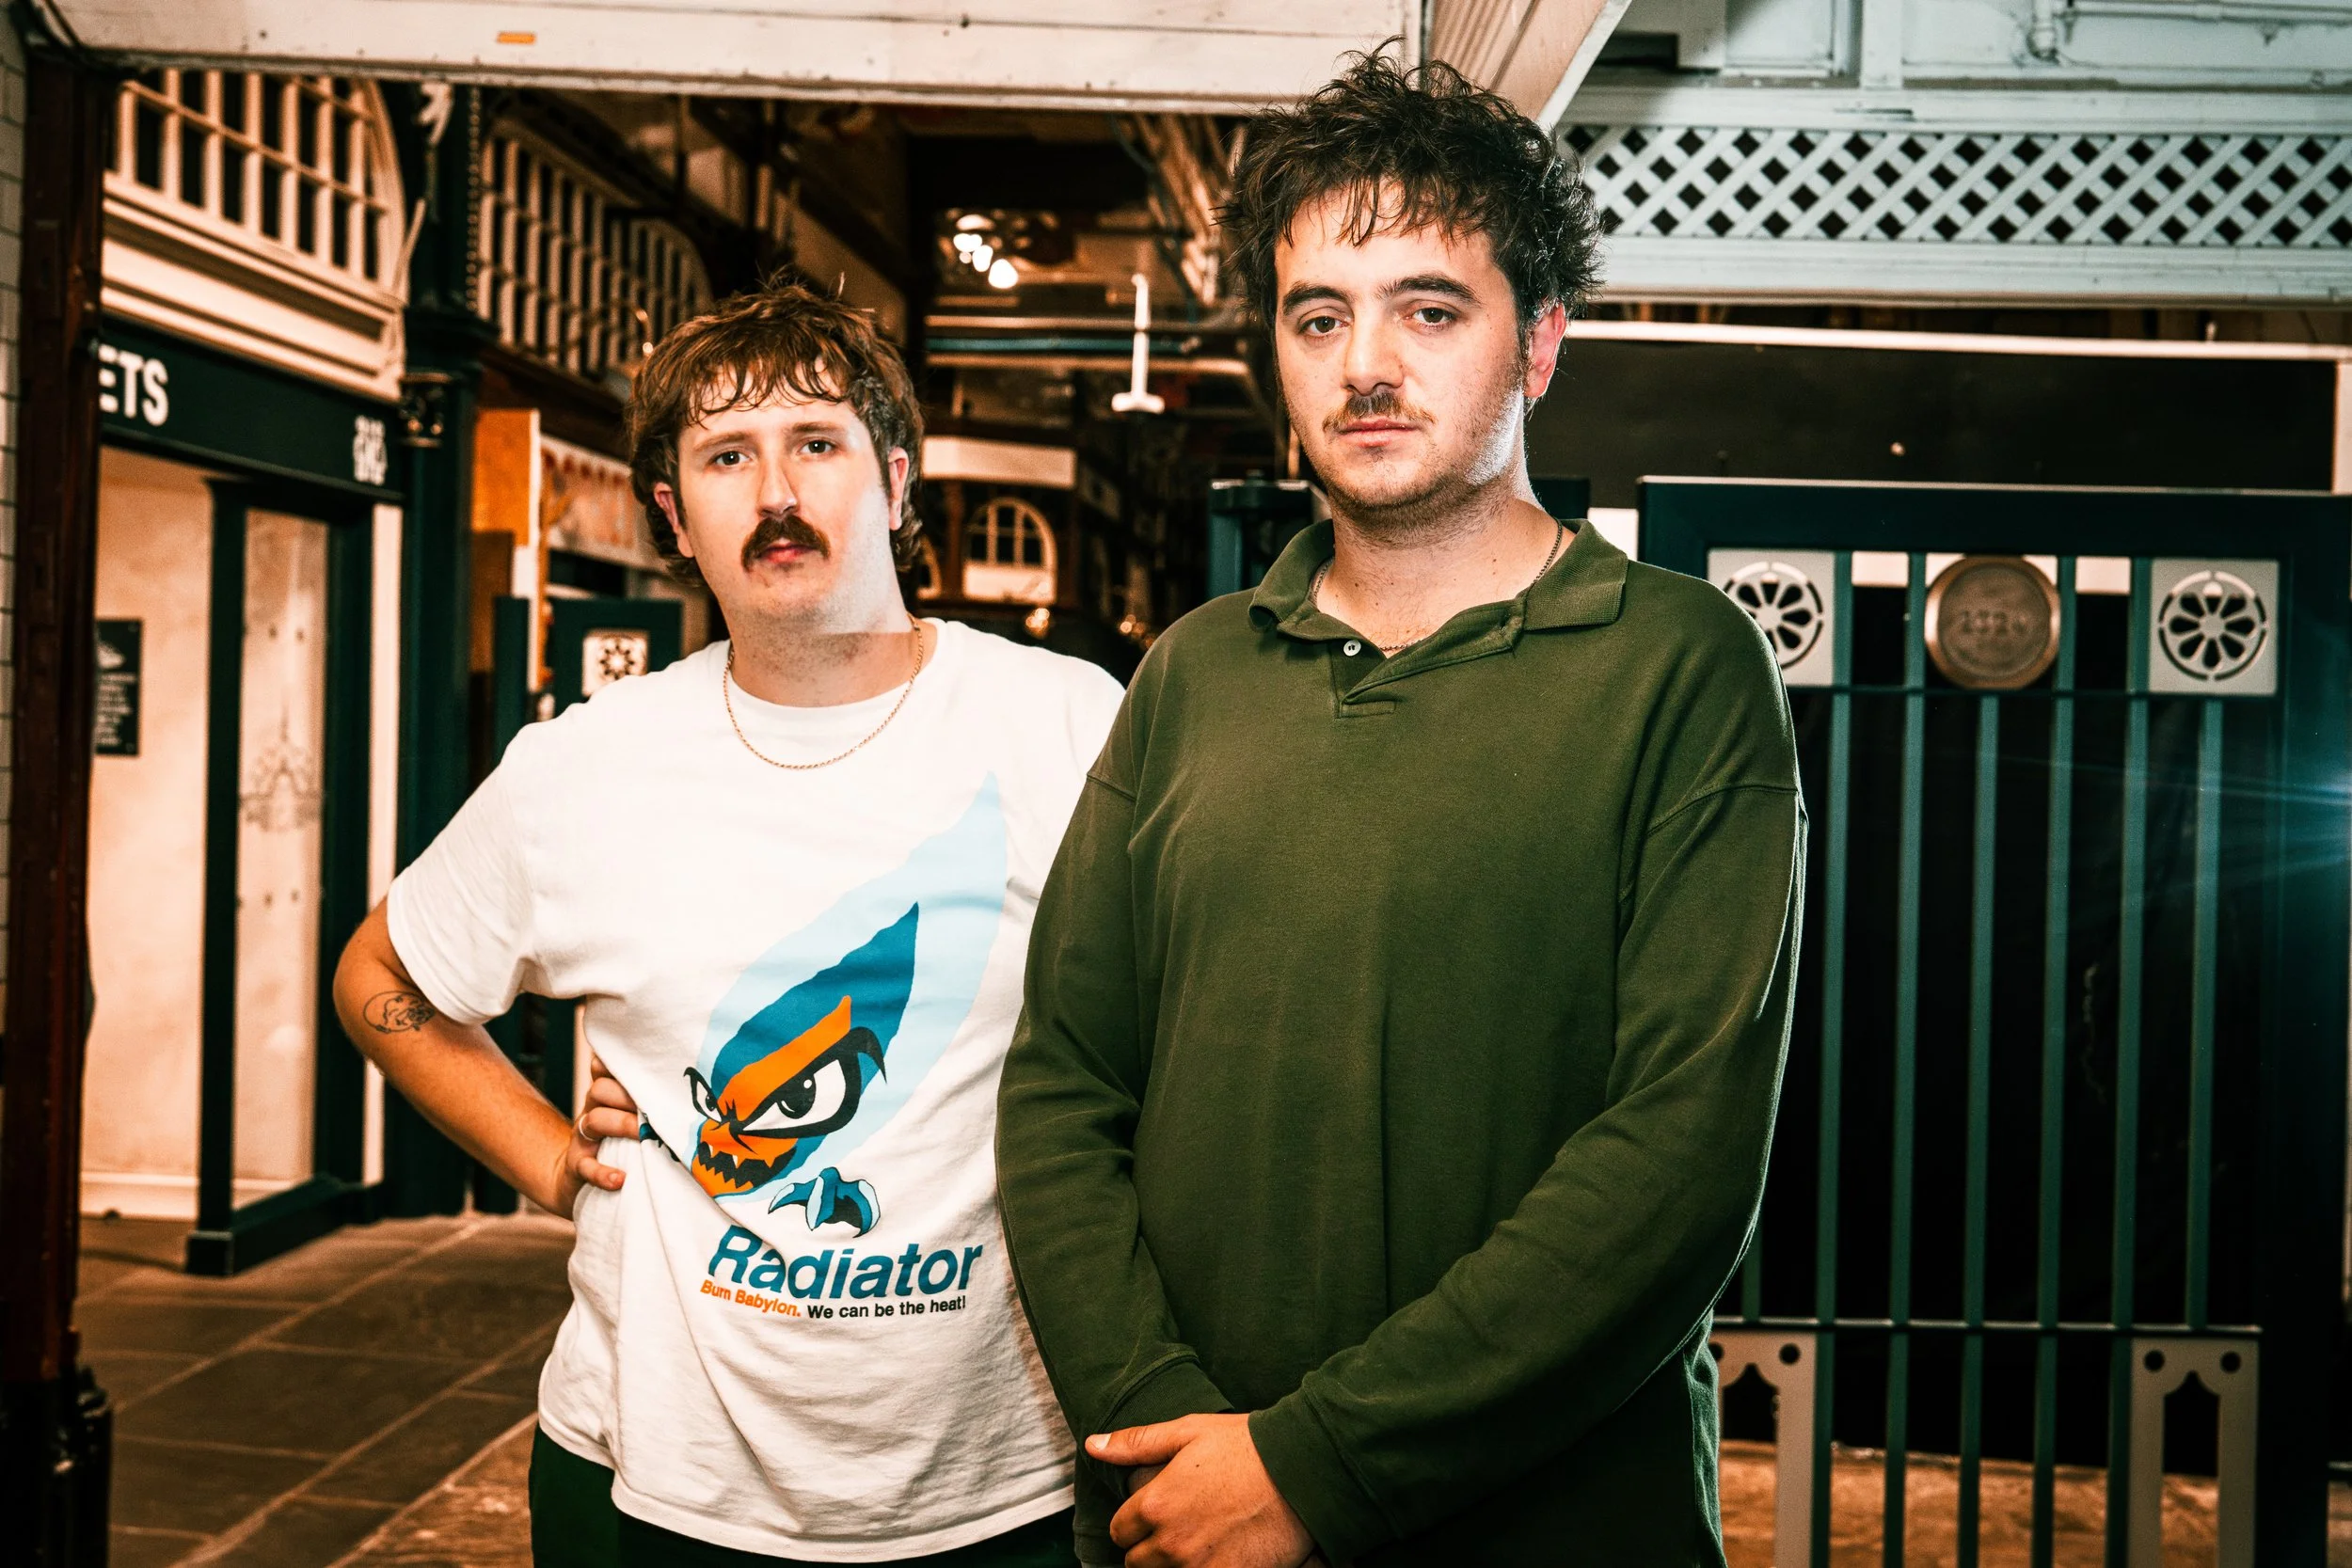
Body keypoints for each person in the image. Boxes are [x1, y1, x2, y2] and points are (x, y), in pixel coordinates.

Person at [993, 53, 1805, 1568]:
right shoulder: (1192, 673)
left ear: (1540, 345)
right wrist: (1165, 1431)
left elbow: (1675, 1165)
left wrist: (1311, 1466)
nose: (1367, 362)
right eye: (1320, 317)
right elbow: (1060, 1091)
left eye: (1430, 309)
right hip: (1185, 1512)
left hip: (1556, 1530)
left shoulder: (1678, 668)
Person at [334, 279, 1121, 1567]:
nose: (776, 492)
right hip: (648, 1480)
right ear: (671, 516)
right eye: (725, 456)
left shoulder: (1065, 723)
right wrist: (552, 1158)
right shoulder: (582, 768)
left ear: (898, 483)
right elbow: (385, 978)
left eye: (818, 443)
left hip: (996, 1483)